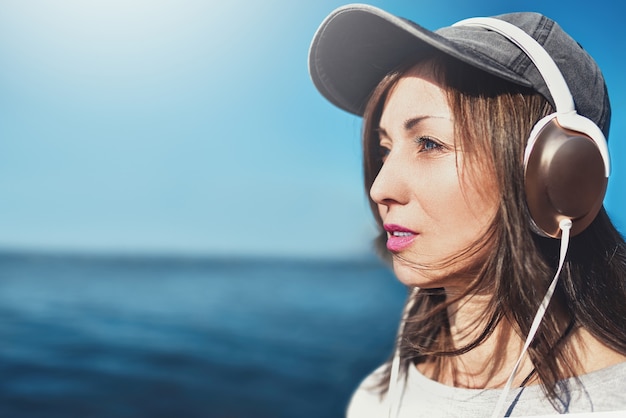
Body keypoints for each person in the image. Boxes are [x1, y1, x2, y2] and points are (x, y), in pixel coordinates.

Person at [308, 4, 626, 417]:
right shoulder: (378, 398)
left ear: (559, 174)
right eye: (384, 149)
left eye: (429, 143)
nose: (379, 188)